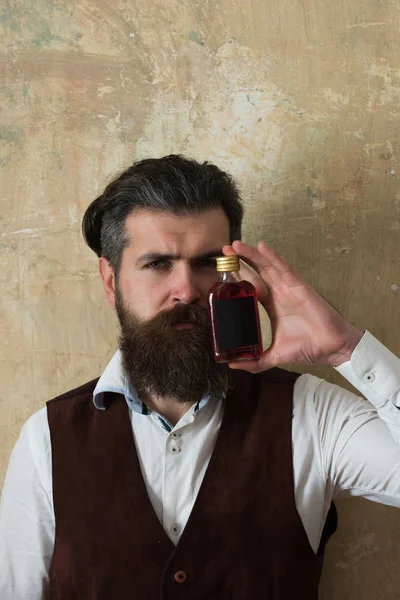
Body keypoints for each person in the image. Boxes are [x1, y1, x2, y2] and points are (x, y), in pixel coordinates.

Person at [0, 154, 399, 600]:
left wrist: (345, 348)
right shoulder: (46, 440)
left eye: (208, 262)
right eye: (157, 264)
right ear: (111, 281)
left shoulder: (310, 414)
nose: (187, 289)